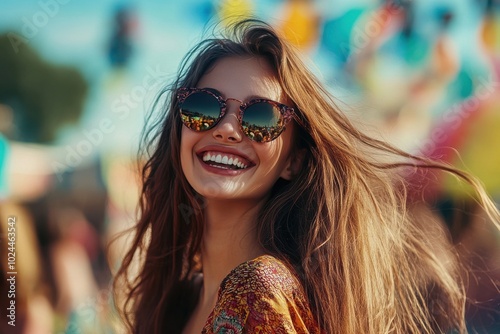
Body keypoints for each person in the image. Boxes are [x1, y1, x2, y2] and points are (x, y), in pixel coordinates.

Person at [113, 19, 500, 333]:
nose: (227, 129)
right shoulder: (181, 297)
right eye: (203, 107)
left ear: (293, 161)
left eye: (260, 117)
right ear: (180, 128)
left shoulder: (260, 289)